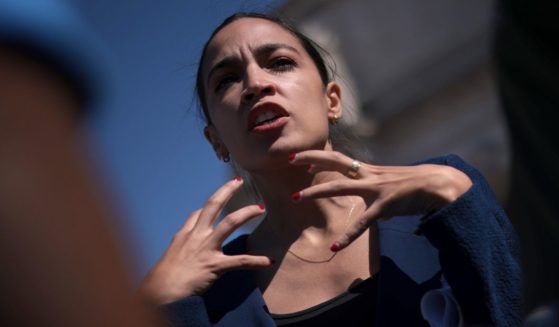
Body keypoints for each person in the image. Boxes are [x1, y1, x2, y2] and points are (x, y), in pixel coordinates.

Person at [139, 12, 521, 326]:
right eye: (226, 80)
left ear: (332, 100)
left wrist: (458, 196)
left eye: (280, 63)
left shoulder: (441, 197)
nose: (255, 83)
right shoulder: (211, 296)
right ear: (216, 141)